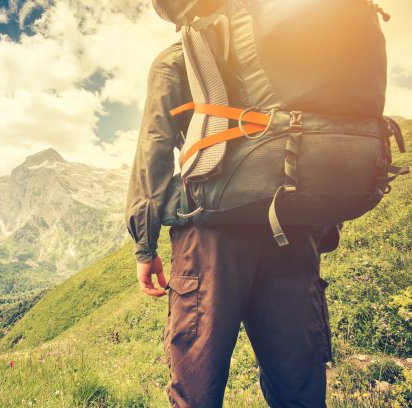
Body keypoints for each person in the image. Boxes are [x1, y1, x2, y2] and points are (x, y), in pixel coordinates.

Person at [124, 1, 339, 406]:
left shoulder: (175, 60)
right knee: (298, 386)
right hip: (291, 231)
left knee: (197, 389)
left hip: (210, 238)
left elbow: (154, 147)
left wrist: (145, 245)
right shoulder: (292, 50)